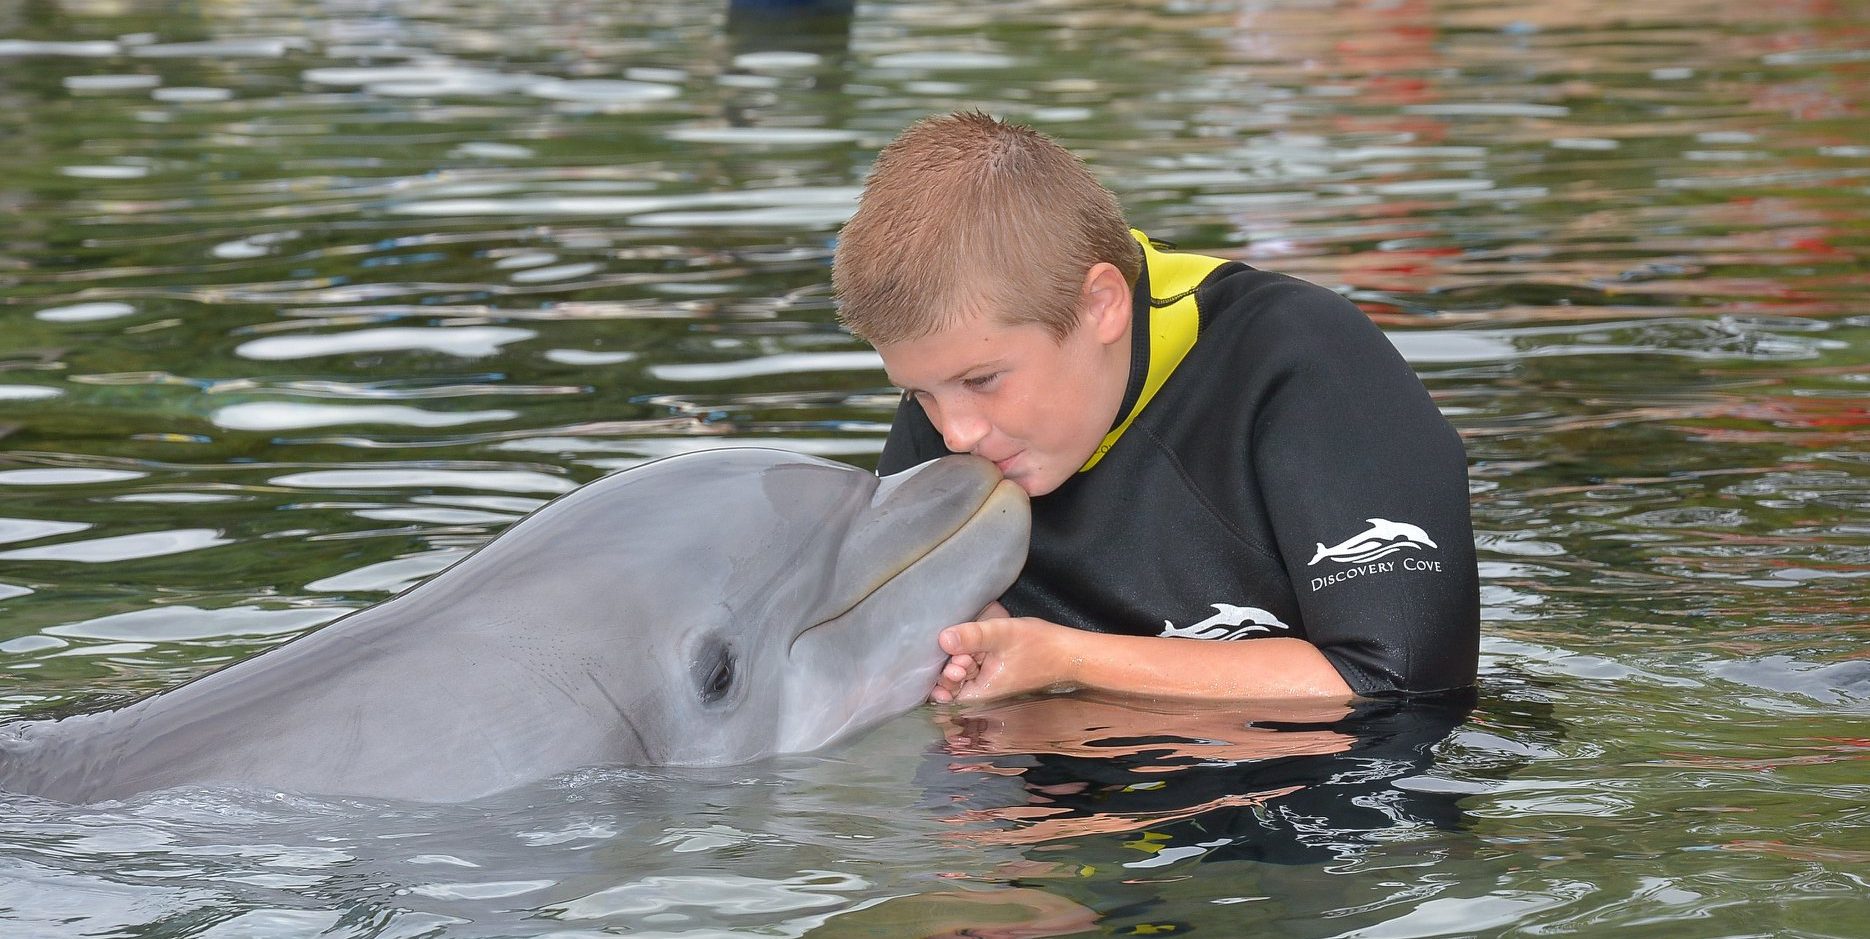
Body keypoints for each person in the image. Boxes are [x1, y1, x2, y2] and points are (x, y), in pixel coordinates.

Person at [832, 111, 1478, 704]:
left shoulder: (1297, 358)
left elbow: (1403, 680)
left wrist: (1067, 661)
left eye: (983, 380)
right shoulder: (956, 393)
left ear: (1101, 305)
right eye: (918, 393)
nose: (955, 433)